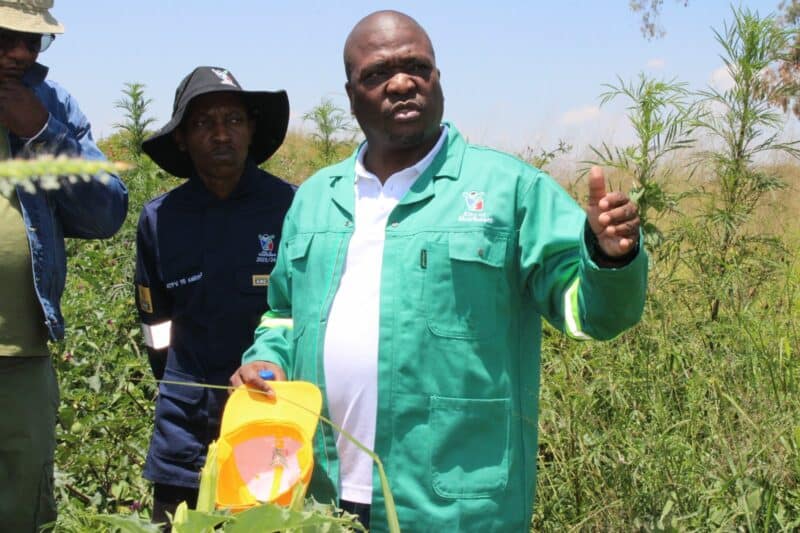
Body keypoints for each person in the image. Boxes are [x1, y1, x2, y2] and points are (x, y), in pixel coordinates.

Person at [231, 10, 648, 532]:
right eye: (378, 73)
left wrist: (610, 257)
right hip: (320, 493)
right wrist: (267, 361)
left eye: (417, 67)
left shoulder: (509, 190)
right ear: (351, 93)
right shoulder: (316, 198)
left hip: (454, 505)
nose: (402, 82)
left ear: (438, 79)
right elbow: (283, 315)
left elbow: (591, 311)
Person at [136, 66, 294, 526]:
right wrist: (179, 384)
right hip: (183, 428)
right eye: (204, 123)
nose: (221, 134)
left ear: (251, 130)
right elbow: (155, 323)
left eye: (234, 120)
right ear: (183, 138)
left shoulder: (290, 207)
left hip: (269, 417)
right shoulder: (161, 219)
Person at [0, 2, 128, 531]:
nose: (21, 52)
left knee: (21, 510)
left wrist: (41, 132)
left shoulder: (52, 103)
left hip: (22, 356)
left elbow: (105, 214)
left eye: (35, 41)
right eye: (7, 36)